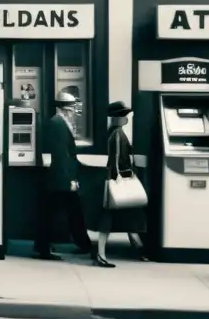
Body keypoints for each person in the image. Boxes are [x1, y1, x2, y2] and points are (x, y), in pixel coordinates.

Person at [35, 92, 93, 260]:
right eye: (73, 108)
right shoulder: (58, 124)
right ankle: (46, 248)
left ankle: (82, 244)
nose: (75, 112)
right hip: (60, 179)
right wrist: (70, 180)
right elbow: (62, 155)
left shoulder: (59, 123)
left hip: (59, 178)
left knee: (64, 212)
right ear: (67, 109)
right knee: (62, 213)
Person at [94, 101, 148, 268]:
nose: (125, 119)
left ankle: (138, 248)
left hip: (113, 180)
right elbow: (116, 159)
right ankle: (101, 254)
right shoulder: (118, 134)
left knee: (126, 216)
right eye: (122, 116)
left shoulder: (113, 132)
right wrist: (121, 176)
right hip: (117, 182)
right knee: (110, 219)